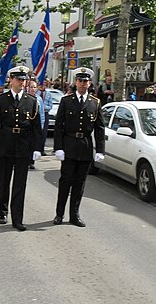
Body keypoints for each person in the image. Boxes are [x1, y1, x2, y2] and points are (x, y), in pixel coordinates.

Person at [0, 66, 42, 231]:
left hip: (23, 147)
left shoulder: (32, 101)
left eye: (23, 79)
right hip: (5, 144)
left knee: (20, 184)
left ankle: (17, 218)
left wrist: (36, 148)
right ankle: (2, 211)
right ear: (11, 80)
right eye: (18, 79)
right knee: (4, 181)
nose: (21, 82)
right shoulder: (1, 99)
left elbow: (36, 128)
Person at [53, 67, 105, 227]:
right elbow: (59, 126)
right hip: (69, 146)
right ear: (75, 82)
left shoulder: (95, 103)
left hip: (85, 147)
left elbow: (100, 128)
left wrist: (100, 150)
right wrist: (58, 147)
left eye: (86, 81)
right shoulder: (66, 101)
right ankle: (59, 214)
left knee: (79, 183)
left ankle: (74, 215)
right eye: (80, 81)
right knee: (65, 181)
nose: (83, 84)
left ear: (90, 83)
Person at [28, 79, 45, 169]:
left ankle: (31, 161)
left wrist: (41, 125)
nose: (33, 89)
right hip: (26, 124)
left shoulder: (39, 99)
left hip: (35, 125)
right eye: (31, 87)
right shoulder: (25, 97)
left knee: (33, 143)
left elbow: (42, 113)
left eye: (34, 87)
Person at [36, 79, 53, 156]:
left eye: (45, 84)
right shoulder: (36, 93)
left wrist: (43, 107)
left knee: (44, 132)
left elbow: (50, 106)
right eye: (42, 84)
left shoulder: (48, 94)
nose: (43, 86)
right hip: (37, 113)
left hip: (45, 114)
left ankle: (41, 149)